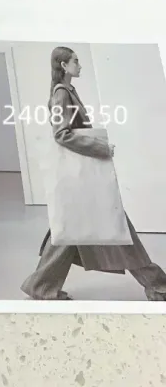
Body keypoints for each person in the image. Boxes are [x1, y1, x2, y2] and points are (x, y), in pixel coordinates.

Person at [21, 46, 166, 301]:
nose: (80, 65)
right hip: (82, 180)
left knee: (69, 232)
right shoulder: (61, 94)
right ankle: (157, 285)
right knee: (114, 227)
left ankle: (41, 286)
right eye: (75, 61)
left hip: (81, 180)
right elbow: (61, 134)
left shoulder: (68, 91)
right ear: (64, 65)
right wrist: (100, 147)